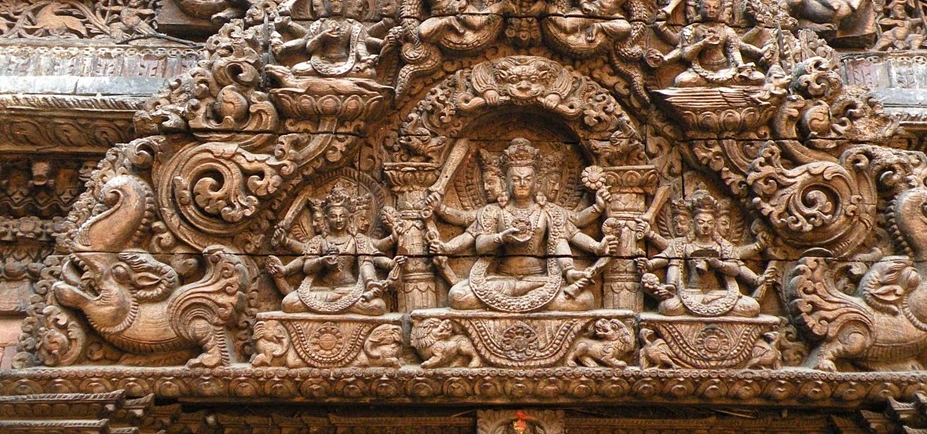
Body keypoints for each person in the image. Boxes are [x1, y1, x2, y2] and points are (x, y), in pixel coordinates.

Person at [444, 138, 614, 312]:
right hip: (502, 279)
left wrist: (584, 257)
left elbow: (568, 236)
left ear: (536, 182)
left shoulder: (550, 212)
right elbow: (481, 246)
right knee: (457, 296)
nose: (522, 184)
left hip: (540, 281)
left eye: (527, 179)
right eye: (516, 179)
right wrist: (501, 238)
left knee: (585, 300)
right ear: (506, 182)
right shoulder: (493, 211)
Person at [267, 188, 403, 315]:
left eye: (342, 216)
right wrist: (322, 261)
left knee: (378, 306)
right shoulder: (319, 241)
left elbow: (375, 255)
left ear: (349, 218)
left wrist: (392, 261)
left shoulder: (359, 240)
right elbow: (307, 266)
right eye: (333, 216)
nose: (338, 220)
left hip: (349, 290)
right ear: (326, 219)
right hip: (320, 291)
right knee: (288, 303)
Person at [639, 189, 762, 318]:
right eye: (701, 222)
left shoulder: (724, 246)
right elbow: (665, 258)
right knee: (668, 307)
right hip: (691, 293)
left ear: (714, 225)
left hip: (719, 294)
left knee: (752, 307)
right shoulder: (682, 244)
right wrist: (649, 264)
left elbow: (736, 270)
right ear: (693, 224)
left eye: (709, 223)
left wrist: (718, 264)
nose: (705, 226)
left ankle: (713, 300)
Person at [661, 0, 766, 86]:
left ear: (721, 9)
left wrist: (743, 64)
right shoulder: (691, 29)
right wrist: (702, 43)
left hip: (726, 71)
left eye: (715, 7)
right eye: (706, 7)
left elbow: (736, 49)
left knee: (759, 78)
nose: (711, 10)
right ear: (699, 8)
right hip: (700, 73)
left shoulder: (725, 29)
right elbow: (686, 55)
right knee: (681, 81)